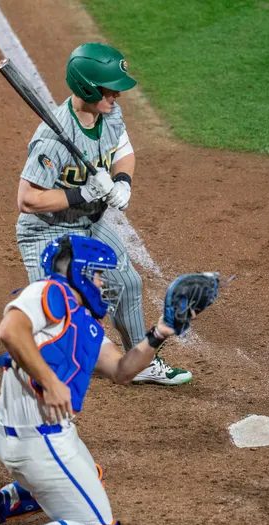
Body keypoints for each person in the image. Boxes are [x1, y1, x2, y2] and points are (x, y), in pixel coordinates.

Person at [0, 235, 201, 525]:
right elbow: (10, 329)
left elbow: (122, 369)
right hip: (40, 442)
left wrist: (161, 331)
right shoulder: (50, 292)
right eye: (98, 274)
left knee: (91, 476)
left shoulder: (81, 321)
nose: (103, 283)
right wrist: (51, 383)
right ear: (79, 272)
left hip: (36, 439)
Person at [14, 42, 192, 386]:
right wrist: (84, 192)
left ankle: (139, 363)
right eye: (110, 90)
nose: (117, 96)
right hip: (47, 232)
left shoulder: (108, 113)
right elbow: (28, 199)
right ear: (87, 87)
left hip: (90, 223)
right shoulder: (52, 138)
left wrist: (122, 182)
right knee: (58, 314)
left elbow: (123, 150)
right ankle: (19, 406)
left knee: (128, 283)